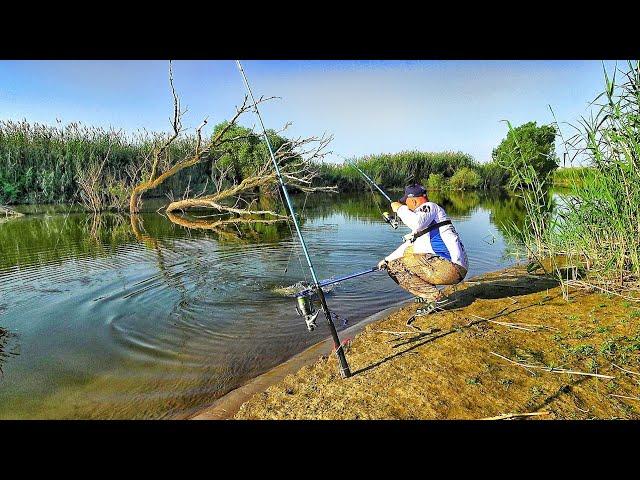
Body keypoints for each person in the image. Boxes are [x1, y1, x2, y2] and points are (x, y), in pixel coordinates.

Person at [377, 184, 468, 314]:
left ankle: (436, 298)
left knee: (395, 267)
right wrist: (386, 260)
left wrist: (400, 209)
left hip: (451, 267)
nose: (407, 207)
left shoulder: (430, 207)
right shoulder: (426, 223)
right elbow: (408, 247)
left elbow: (416, 222)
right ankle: (427, 293)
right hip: (452, 268)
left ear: (413, 201)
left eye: (406, 203)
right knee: (404, 256)